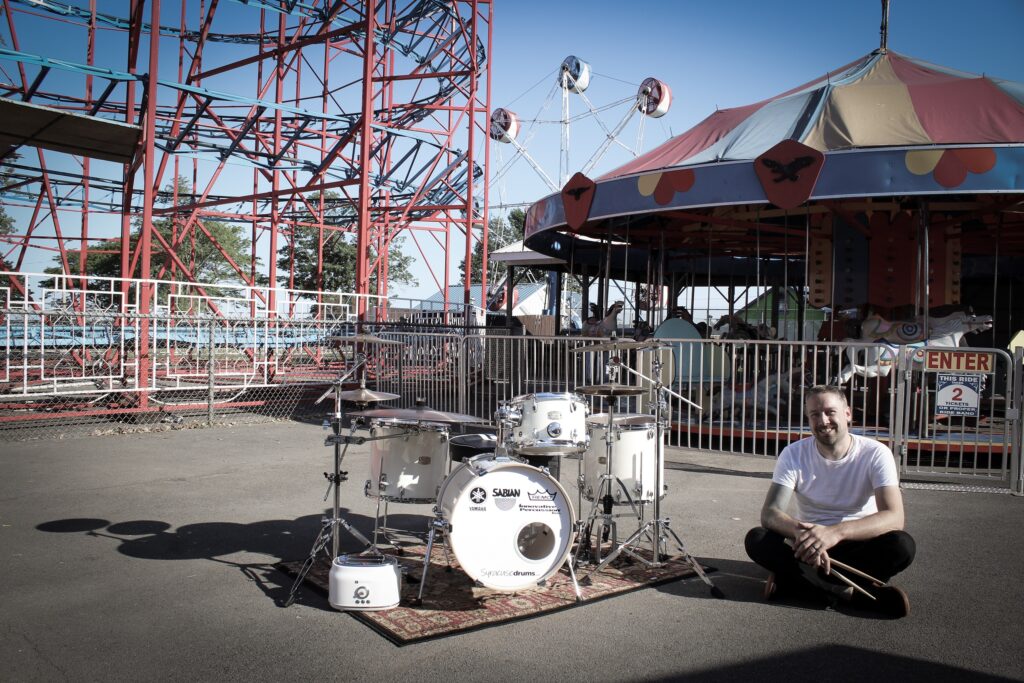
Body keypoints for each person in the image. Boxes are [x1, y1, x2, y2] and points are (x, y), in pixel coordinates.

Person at [744, 385, 916, 617]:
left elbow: (894, 517)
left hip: (859, 543)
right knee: (757, 539)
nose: (823, 421)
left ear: (847, 414)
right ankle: (852, 592)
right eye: (814, 414)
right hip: (808, 547)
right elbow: (771, 513)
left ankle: (800, 582)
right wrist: (807, 536)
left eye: (830, 412)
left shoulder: (876, 453)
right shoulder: (793, 454)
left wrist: (835, 533)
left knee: (902, 545)